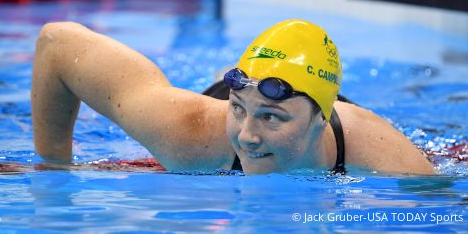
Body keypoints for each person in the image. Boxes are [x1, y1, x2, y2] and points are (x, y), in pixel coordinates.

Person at [31, 19, 435, 175]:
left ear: (320, 119)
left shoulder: (386, 158)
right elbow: (58, 43)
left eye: (271, 118)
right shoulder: (188, 134)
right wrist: (54, 170)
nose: (246, 136)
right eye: (240, 112)